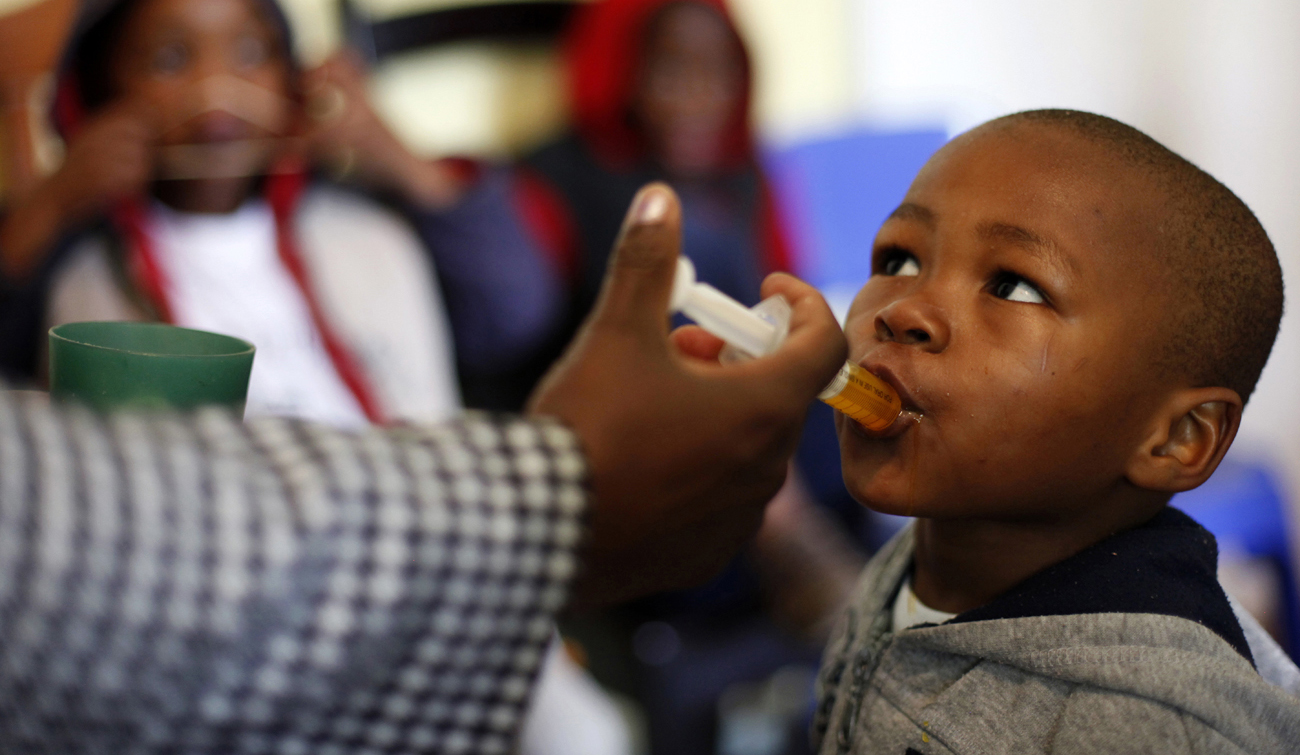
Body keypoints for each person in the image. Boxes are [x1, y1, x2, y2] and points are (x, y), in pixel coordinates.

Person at [0, 183, 848, 751]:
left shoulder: (363, 240)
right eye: (892, 263)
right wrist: (549, 501)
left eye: (992, 282)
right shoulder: (86, 271)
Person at [812, 109, 1300, 754]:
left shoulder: (1142, 731)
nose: (904, 310)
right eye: (900, 260)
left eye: (1012, 285)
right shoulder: (912, 564)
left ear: (1177, 437)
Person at [0, 0, 561, 427]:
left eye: (251, 54)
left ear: (291, 78)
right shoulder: (75, 268)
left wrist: (398, 159)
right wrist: (49, 205)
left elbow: (513, 314)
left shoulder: (366, 231)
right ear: (98, 96)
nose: (216, 88)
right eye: (171, 59)